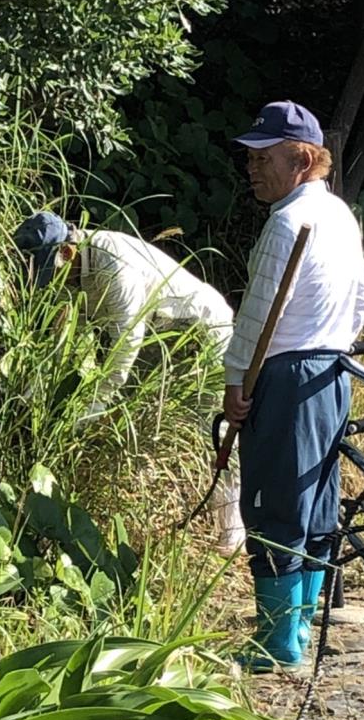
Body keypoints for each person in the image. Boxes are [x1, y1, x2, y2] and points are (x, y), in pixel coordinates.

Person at [225, 100, 364, 670]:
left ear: (304, 159)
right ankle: (300, 630)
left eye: (265, 157)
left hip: (284, 376)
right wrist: (330, 336)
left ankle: (276, 643)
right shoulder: (340, 214)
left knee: (275, 504)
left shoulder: (288, 222)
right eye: (250, 157)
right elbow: (363, 299)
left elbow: (259, 314)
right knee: (314, 501)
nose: (252, 168)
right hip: (333, 371)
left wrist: (236, 382)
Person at [13, 211, 244, 554]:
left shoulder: (113, 265)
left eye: (53, 275)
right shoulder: (76, 270)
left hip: (196, 331)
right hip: (158, 334)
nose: (54, 286)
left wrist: (83, 416)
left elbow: (124, 353)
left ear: (68, 253)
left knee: (207, 426)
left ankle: (232, 530)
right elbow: (58, 343)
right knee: (140, 418)